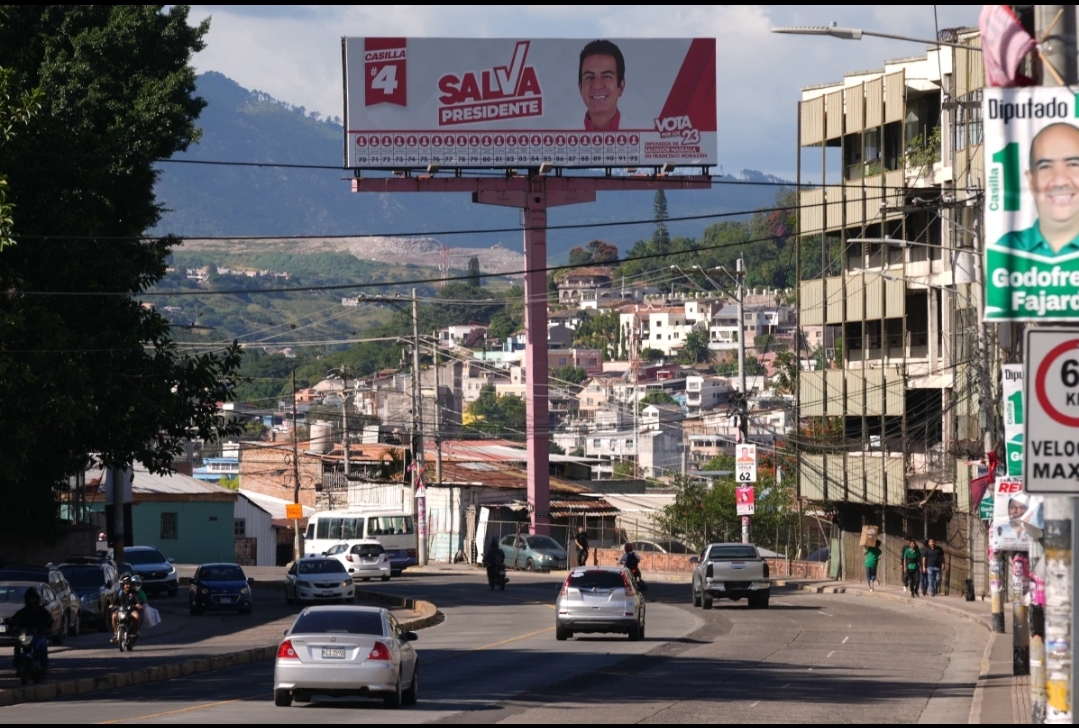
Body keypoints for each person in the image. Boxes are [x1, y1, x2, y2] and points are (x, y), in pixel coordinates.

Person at [996, 122, 1079, 257]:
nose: (1059, 181)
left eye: (1073, 164)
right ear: (1031, 181)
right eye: (1045, 166)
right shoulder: (1007, 249)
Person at [578, 40, 625, 131]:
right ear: (580, 88)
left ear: (621, 87)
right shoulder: (557, 137)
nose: (597, 85)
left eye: (607, 76)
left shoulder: (646, 136)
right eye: (589, 77)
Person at [9, 587, 53, 665]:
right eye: (29, 598)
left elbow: (49, 620)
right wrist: (12, 626)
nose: (31, 600)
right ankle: (17, 660)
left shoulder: (41, 611)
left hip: (38, 635)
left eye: (33, 598)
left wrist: (47, 629)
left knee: (43, 644)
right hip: (26, 636)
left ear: (36, 599)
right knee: (18, 644)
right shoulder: (23, 612)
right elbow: (14, 620)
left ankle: (44, 665)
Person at [111, 574, 145, 641]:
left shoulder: (134, 592)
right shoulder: (119, 592)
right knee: (114, 616)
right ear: (123, 585)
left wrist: (138, 604)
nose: (127, 585)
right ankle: (115, 633)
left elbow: (138, 600)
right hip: (120, 610)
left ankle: (135, 631)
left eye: (129, 584)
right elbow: (114, 601)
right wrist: (112, 605)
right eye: (126, 584)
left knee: (137, 616)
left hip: (131, 610)